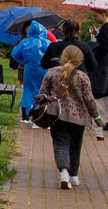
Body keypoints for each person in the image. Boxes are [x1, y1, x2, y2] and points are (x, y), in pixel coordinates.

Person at [36, 43, 102, 188]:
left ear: (62, 57)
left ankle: (64, 171)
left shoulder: (52, 72)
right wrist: (97, 118)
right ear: (80, 60)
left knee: (60, 144)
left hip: (56, 115)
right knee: (75, 145)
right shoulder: (83, 77)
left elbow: (42, 94)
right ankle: (74, 176)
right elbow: (89, 99)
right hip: (78, 118)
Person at [12, 20, 51, 123]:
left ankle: (25, 115)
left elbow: (15, 54)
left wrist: (25, 60)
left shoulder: (25, 42)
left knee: (28, 90)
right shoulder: (46, 42)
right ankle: (41, 114)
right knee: (43, 91)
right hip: (44, 69)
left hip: (30, 69)